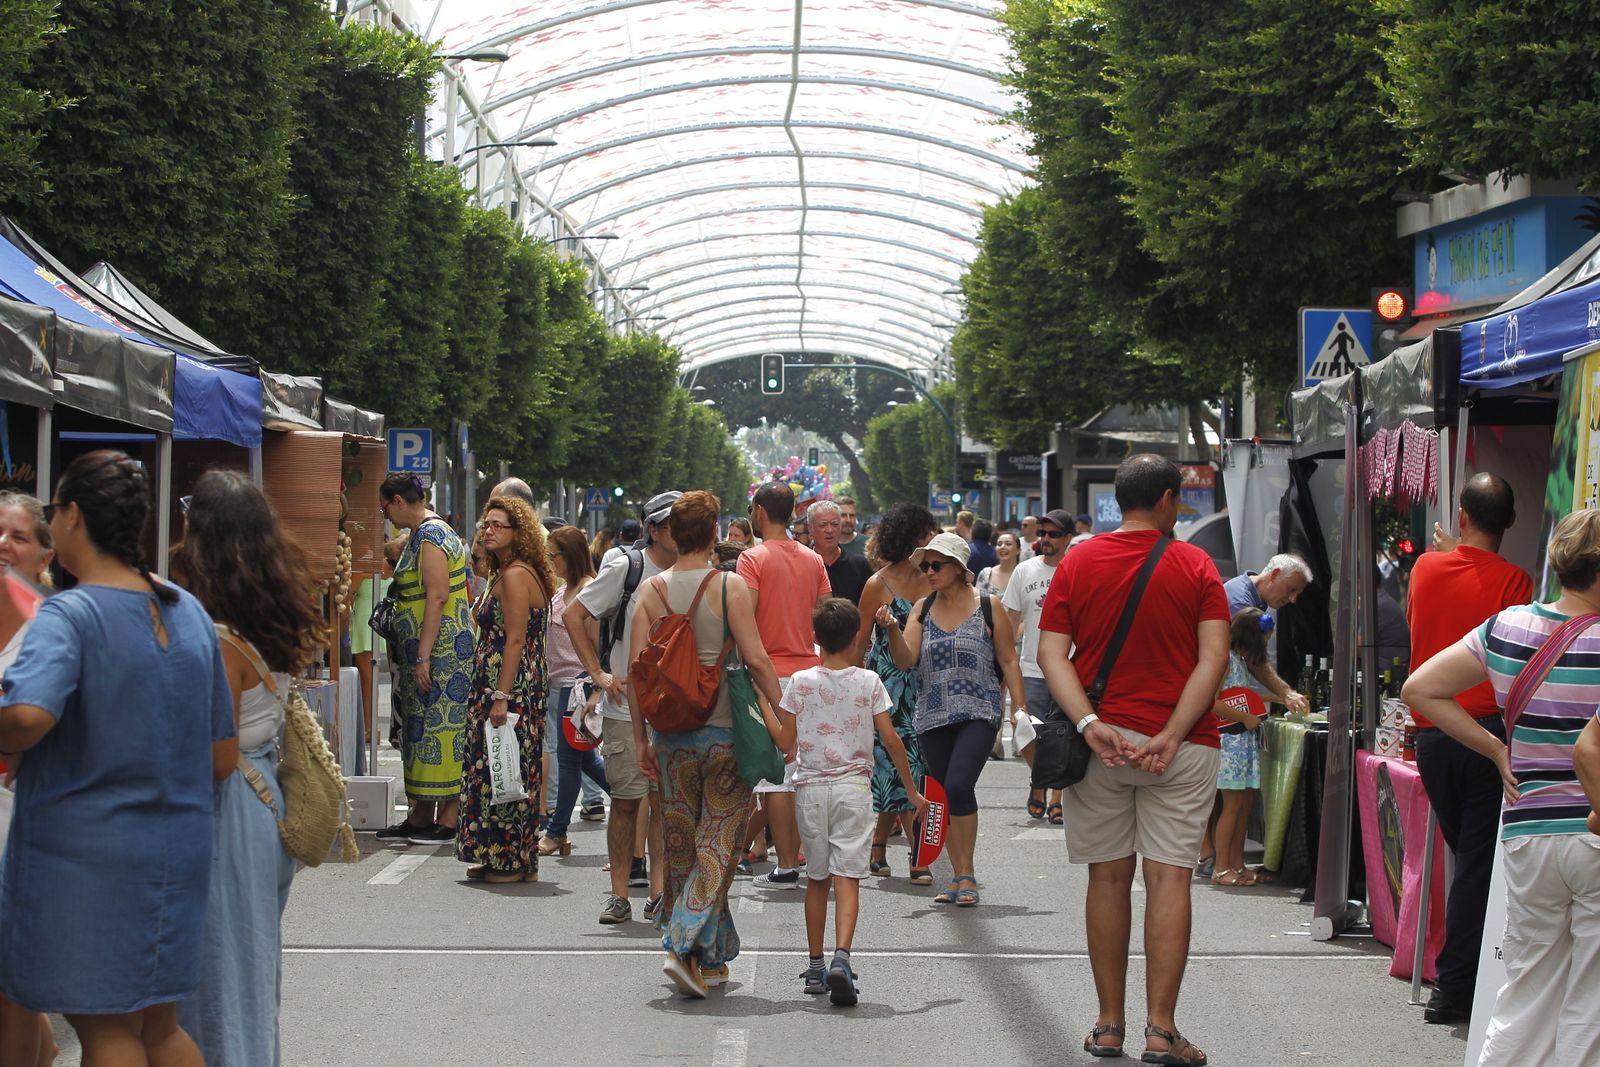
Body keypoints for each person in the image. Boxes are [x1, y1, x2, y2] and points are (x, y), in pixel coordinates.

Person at [0, 450, 234, 1063]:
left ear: (73, 516)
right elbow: (219, 754)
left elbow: (25, 718)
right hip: (176, 850)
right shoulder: (186, 612)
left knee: (104, 1028)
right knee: (159, 1026)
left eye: (53, 512)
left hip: (84, 854)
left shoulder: (70, 614)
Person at [1038, 453, 1229, 1064]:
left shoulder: (1078, 560)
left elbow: (1051, 654)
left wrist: (1089, 722)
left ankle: (1108, 1024)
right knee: (1170, 876)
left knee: (1108, 877)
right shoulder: (1197, 564)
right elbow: (1213, 660)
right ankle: (1162, 1030)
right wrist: (1173, 732)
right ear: (1170, 499)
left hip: (1102, 744)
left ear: (1119, 500)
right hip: (1184, 744)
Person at [1402, 507, 1600, 1067]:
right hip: (1593, 826)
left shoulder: (1507, 627)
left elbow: (1421, 689)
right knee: (1591, 999)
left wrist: (1495, 748)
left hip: (1528, 829)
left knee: (1526, 987)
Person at [170, 470, 326, 1066]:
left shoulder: (215, 639)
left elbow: (215, 754)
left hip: (225, 811)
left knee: (218, 983)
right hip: (262, 808)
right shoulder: (268, 618)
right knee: (249, 973)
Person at [626, 491, 788, 998]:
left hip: (670, 737)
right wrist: (784, 715)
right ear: (715, 532)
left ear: (672, 532)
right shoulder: (729, 587)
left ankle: (709, 958)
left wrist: (640, 739)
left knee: (680, 846)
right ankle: (679, 943)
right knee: (718, 842)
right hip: (722, 734)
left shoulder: (650, 592)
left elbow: (636, 675)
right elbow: (758, 660)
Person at [1404, 471, 1532, 1025]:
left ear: (1459, 516)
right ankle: (1455, 988)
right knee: (1477, 865)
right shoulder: (1517, 581)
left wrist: (1450, 553)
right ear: (1510, 522)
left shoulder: (1425, 566)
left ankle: (1457, 982)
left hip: (1432, 731)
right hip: (1485, 734)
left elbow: (1432, 606)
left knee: (1468, 860)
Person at [785, 598, 927, 1005]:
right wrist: (912, 790)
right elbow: (892, 739)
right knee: (848, 877)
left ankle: (814, 967)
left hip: (811, 791)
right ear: (855, 639)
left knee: (816, 879)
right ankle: (841, 958)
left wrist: (760, 695)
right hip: (853, 790)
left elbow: (784, 743)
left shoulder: (799, 683)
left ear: (815, 639)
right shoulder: (869, 682)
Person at [876, 532, 1026, 906]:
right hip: (932, 714)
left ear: (959, 568)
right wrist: (893, 629)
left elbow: (1008, 660)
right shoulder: (922, 609)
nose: (928, 571)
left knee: (959, 786)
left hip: (979, 709)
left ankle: (967, 873)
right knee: (941, 798)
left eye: (936, 564)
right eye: (924, 565)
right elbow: (906, 659)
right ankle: (958, 875)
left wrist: (1019, 709)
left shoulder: (990, 606)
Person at [567, 491, 681, 925]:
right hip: (623, 708)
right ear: (653, 529)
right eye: (673, 523)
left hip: (678, 711)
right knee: (627, 801)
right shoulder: (626, 568)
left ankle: (658, 894)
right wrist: (597, 674)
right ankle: (619, 894)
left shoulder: (695, 569)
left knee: (665, 802)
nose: (682, 531)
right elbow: (575, 615)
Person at [738, 481, 832, 890]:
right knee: (804, 770)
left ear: (759, 511)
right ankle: (809, 860)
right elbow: (826, 616)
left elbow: (746, 617)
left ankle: (787, 865)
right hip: (810, 672)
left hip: (767, 674)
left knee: (777, 775)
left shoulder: (751, 558)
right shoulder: (814, 559)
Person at [456, 495, 553, 882]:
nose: (489, 530)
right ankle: (510, 857)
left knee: (503, 769)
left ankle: (510, 859)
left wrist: (500, 696)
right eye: (486, 524)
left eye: (498, 525)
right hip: (510, 682)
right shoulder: (511, 570)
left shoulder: (515, 575)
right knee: (505, 767)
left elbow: (514, 640)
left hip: (509, 686)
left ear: (519, 533)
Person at [376, 473, 474, 844]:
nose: (386, 515)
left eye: (385, 506)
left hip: (442, 653)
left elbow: (436, 597)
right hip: (434, 650)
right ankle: (421, 814)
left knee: (442, 731)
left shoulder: (432, 536)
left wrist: (423, 656)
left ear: (399, 501)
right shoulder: (425, 533)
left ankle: (448, 819)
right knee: (422, 731)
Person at [854, 502, 938, 883]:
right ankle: (919, 857)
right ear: (912, 539)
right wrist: (851, 692)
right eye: (927, 534)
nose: (934, 539)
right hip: (886, 685)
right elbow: (858, 644)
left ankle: (877, 845)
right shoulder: (877, 584)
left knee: (906, 765)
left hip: (927, 682)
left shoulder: (936, 579)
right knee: (900, 762)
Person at [0, 493, 54, 1067]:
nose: (2, 546)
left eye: (16, 536)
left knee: (12, 985)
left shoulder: (50, 622)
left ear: (44, 554)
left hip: (19, 807)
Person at [541, 525, 611, 856]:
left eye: (553, 554)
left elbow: (597, 646)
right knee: (583, 760)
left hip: (578, 685)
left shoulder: (590, 590)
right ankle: (638, 801)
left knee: (569, 759)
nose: (549, 560)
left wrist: (596, 690)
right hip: (559, 685)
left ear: (569, 555)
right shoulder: (562, 591)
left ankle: (556, 832)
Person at [1003, 508, 1074, 824]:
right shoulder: (1025, 571)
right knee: (1027, 730)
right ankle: (1041, 780)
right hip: (1030, 667)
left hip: (1070, 668)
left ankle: (1056, 795)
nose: (1045, 539)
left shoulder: (1078, 570)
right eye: (1043, 533)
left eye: (1053, 534)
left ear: (1067, 538)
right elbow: (1010, 623)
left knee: (1065, 735)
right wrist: (1006, 668)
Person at [1209, 608, 1271, 888]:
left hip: (1244, 743)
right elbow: (1211, 701)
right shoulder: (1224, 661)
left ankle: (1237, 863)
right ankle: (1221, 868)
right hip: (1230, 742)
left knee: (1245, 803)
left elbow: (1242, 695)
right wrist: (1245, 717)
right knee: (1232, 805)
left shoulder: (1240, 662)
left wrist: (1277, 697)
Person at [1221, 554, 1313, 715]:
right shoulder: (1240, 602)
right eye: (1291, 590)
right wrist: (1286, 693)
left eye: (1298, 593)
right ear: (1275, 574)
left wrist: (1275, 695)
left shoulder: (1249, 596)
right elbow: (1254, 659)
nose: (1293, 599)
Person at [809, 499, 872, 606]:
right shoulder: (802, 564)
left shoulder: (860, 565)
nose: (829, 530)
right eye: (823, 525)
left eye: (834, 524)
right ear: (810, 529)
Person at [977, 530, 1020, 598]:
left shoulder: (1024, 574)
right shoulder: (986, 574)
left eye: (1008, 544)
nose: (1002, 547)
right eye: (999, 544)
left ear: (1018, 550)